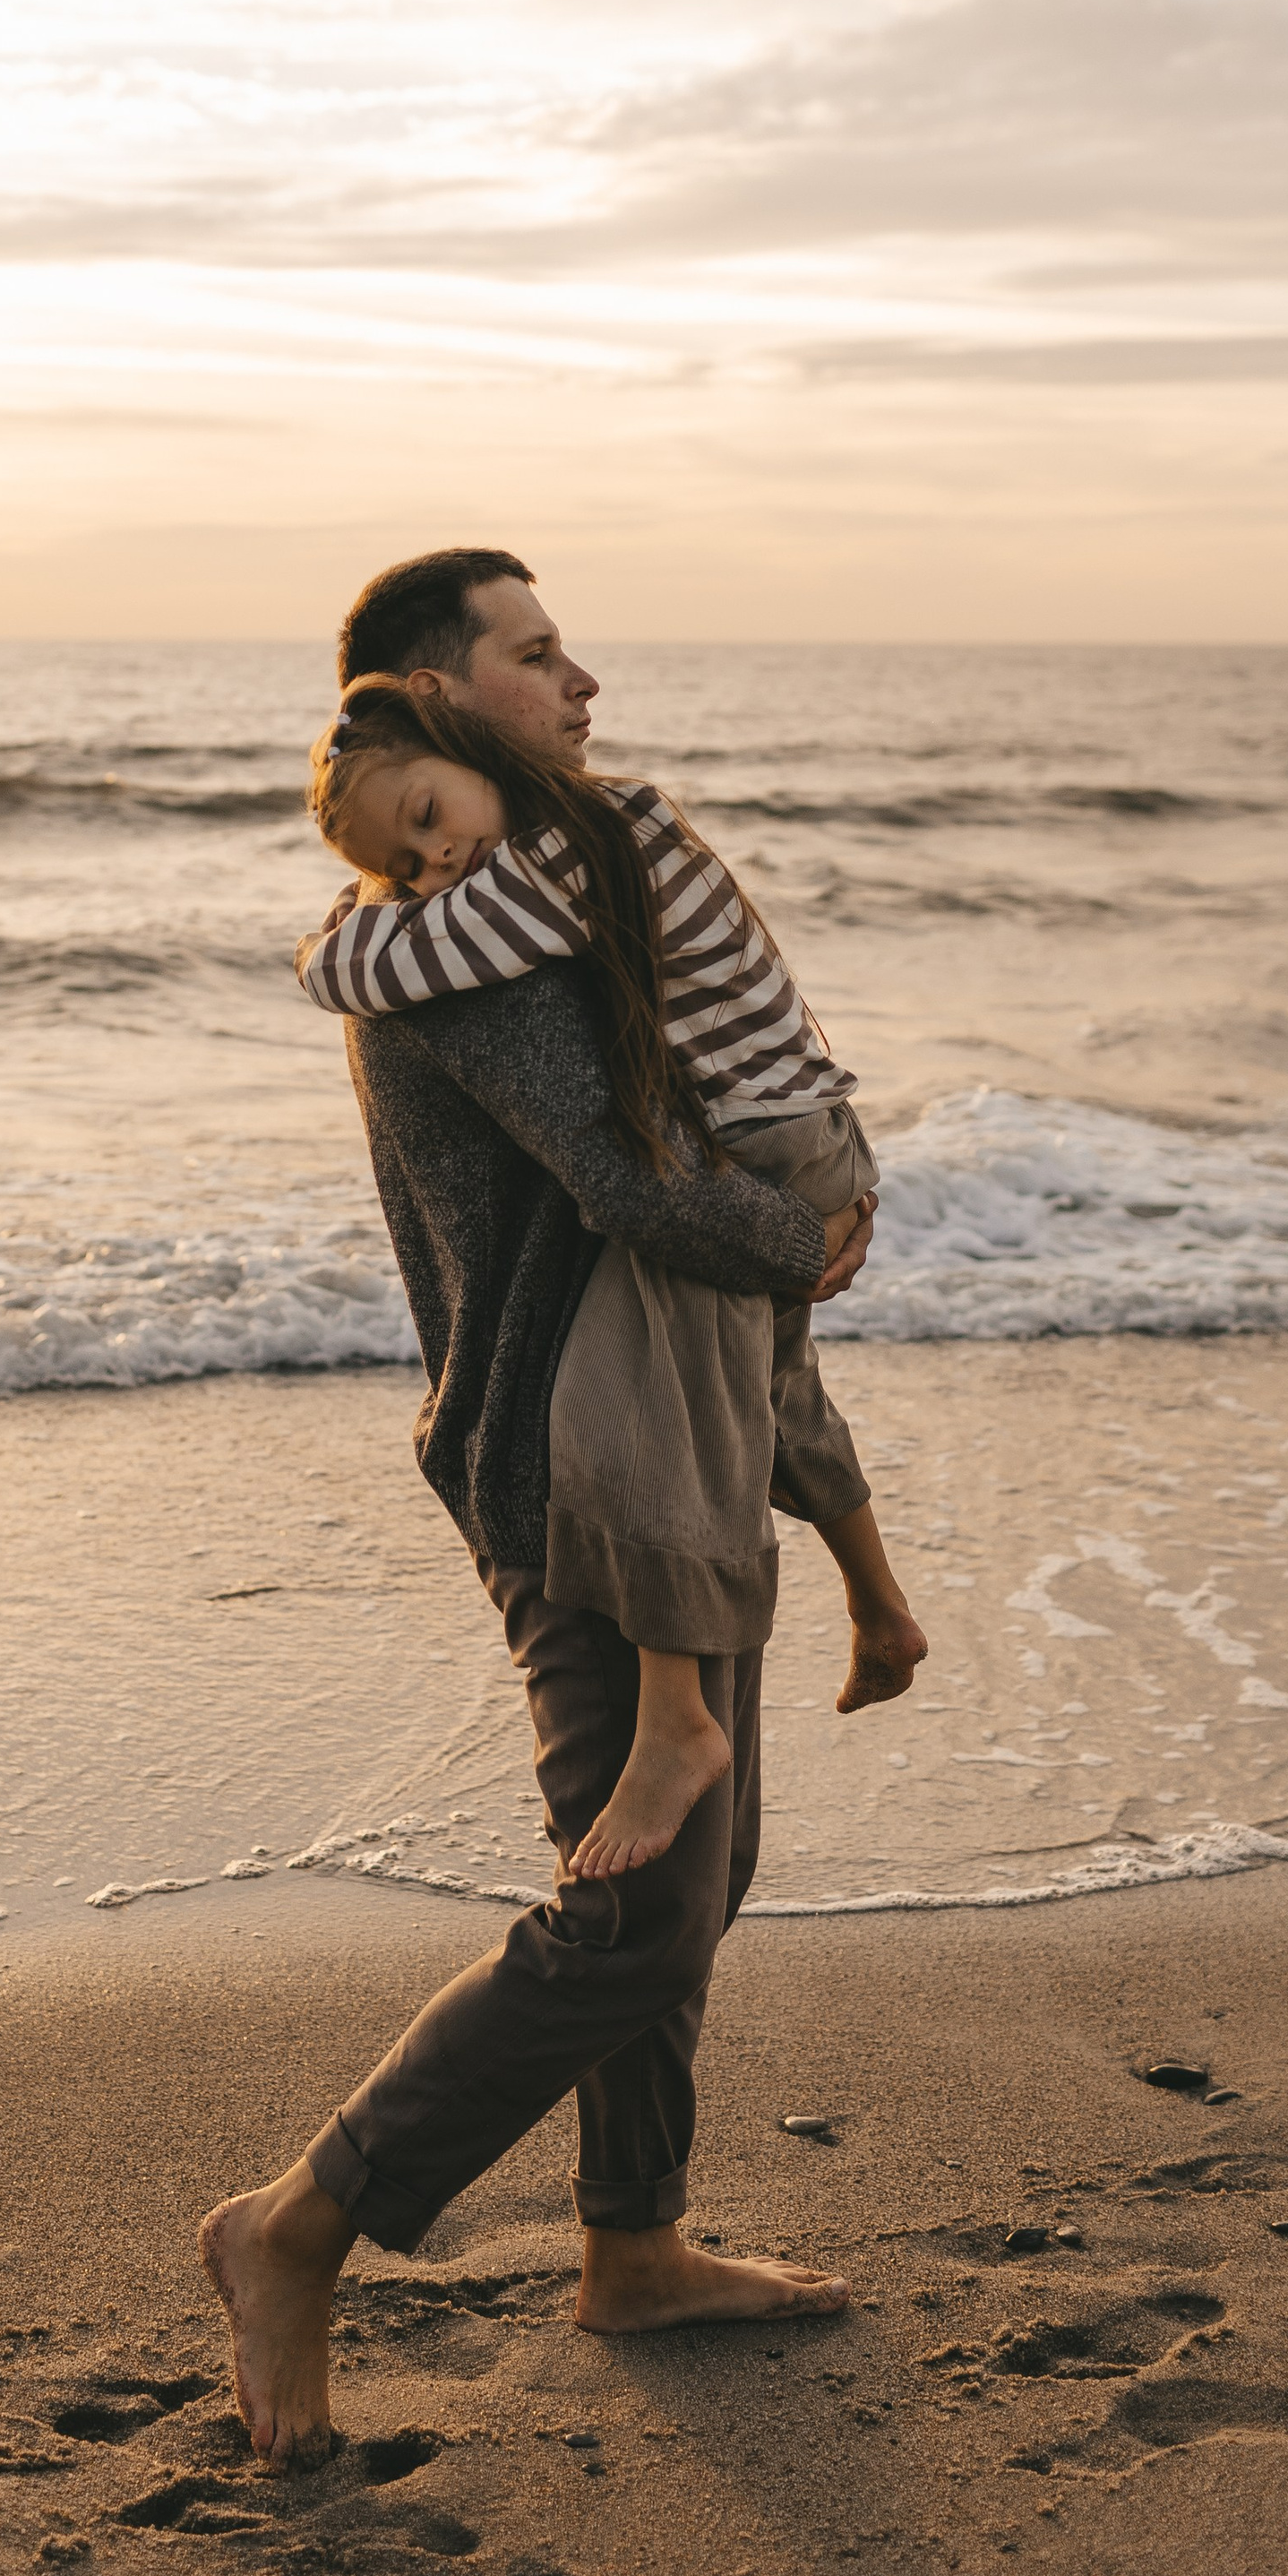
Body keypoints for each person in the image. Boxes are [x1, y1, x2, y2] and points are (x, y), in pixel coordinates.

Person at [200, 553, 879, 2468]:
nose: (580, 681)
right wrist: (808, 1243)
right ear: (435, 696)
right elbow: (624, 1173)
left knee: (689, 1883)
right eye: (534, 653)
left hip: (659, 1434)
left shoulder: (513, 897)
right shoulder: (461, 950)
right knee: (640, 1911)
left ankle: (635, 2246)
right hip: (568, 1458)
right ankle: (296, 2223)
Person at [300, 673, 927, 1875]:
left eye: (430, 816)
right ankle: (880, 1603)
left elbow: (375, 971)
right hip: (796, 1136)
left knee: (637, 1403)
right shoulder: (584, 831)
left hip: (760, 1146)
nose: (438, 863)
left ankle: (675, 1717)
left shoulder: (566, 853)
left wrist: (331, 934)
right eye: (408, 859)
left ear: (449, 730)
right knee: (778, 1391)